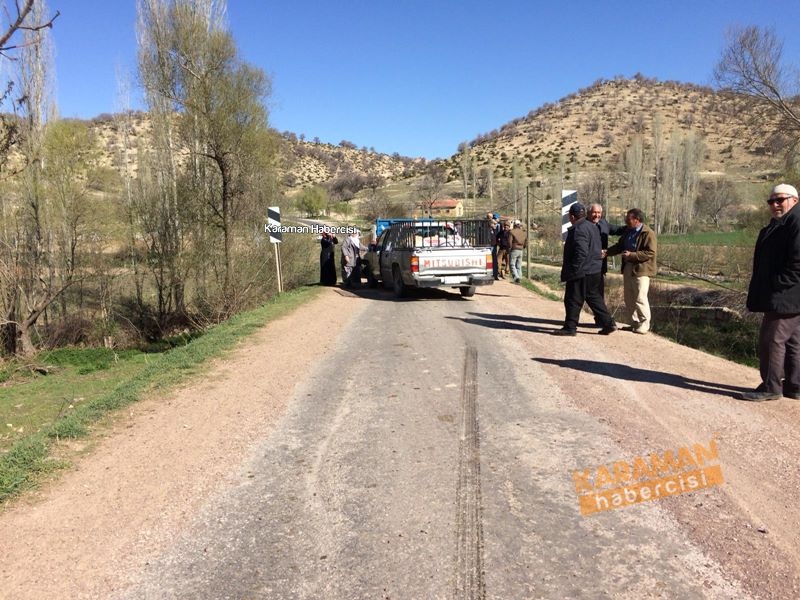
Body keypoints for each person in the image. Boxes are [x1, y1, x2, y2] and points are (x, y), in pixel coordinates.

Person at [737, 183, 800, 402]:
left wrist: (775, 284)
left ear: (794, 200)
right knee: (793, 340)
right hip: (788, 295)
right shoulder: (784, 223)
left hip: (785, 296)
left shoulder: (796, 223)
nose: (774, 205)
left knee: (771, 340)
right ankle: (794, 386)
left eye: (780, 200)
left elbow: (797, 264)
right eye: (771, 201)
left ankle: (771, 387)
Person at [552, 203, 617, 336]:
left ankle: (570, 327)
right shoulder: (592, 227)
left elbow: (581, 252)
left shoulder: (579, 229)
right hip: (595, 270)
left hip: (582, 271)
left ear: (572, 216)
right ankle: (608, 323)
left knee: (572, 299)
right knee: (593, 297)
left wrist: (574, 270)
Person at [605, 208, 657, 334]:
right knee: (629, 297)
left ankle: (644, 324)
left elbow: (650, 252)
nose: (626, 222)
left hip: (641, 270)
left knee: (640, 297)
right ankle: (634, 323)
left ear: (636, 220)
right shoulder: (628, 231)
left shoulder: (648, 233)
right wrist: (606, 253)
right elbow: (619, 246)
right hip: (628, 267)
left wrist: (632, 255)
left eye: (628, 219)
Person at [487, 212, 501, 279]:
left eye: (496, 224)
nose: (496, 225)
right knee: (489, 260)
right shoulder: (487, 230)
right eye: (494, 224)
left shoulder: (495, 230)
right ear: (491, 224)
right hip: (489, 246)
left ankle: (495, 274)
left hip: (494, 246)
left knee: (494, 259)